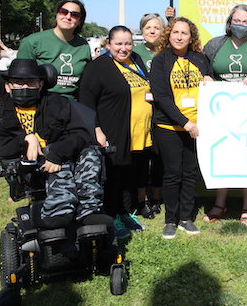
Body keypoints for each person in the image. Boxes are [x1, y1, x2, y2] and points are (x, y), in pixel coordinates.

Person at [0, 59, 105, 230]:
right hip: (29, 162)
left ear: (41, 84)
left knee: (90, 152)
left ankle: (89, 210)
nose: (25, 87)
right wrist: (26, 139)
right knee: (60, 168)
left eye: (31, 82)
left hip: (61, 153)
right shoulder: (2, 111)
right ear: (8, 87)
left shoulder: (58, 103)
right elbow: (0, 146)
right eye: (18, 83)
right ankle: (59, 212)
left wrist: (57, 152)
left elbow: (80, 134)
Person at [202, 4, 247, 227]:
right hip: (220, 110)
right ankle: (220, 203)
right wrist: (206, 77)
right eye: (237, 21)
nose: (241, 25)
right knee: (222, 154)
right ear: (229, 22)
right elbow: (203, 68)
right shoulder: (214, 44)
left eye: (246, 22)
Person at [79, 26, 153, 238]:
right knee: (113, 176)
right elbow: (86, 101)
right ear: (108, 44)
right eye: (118, 44)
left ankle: (125, 212)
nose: (124, 48)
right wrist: (96, 129)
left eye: (128, 43)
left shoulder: (136, 60)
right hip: (112, 129)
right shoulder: (98, 67)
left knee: (130, 173)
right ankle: (111, 217)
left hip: (137, 132)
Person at [151, 17, 214, 238]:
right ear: (169, 34)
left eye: (184, 33)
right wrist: (184, 123)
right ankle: (170, 220)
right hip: (169, 127)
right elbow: (162, 97)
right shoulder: (160, 62)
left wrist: (208, 77)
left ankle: (186, 218)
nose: (179, 37)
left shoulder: (200, 59)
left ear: (191, 37)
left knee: (189, 173)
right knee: (172, 173)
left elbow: (210, 80)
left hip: (196, 127)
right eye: (175, 32)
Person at [17, 0, 91, 99]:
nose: (68, 17)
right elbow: (20, 79)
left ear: (80, 21)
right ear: (56, 15)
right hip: (42, 103)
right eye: (64, 12)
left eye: (75, 15)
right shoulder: (32, 42)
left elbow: (87, 81)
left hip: (73, 105)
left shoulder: (83, 45)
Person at [132, 13, 167, 217]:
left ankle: (156, 198)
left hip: (163, 111)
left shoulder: (169, 51)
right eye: (148, 28)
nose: (152, 31)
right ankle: (140, 198)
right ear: (142, 31)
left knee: (159, 158)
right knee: (142, 157)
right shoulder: (134, 52)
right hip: (140, 112)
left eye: (156, 28)